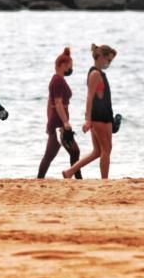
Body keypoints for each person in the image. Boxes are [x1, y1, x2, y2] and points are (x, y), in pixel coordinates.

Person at [63, 44, 117, 180]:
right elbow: (89, 96)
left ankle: (69, 172)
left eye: (111, 61)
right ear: (100, 57)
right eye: (108, 60)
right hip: (99, 117)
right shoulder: (95, 74)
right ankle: (105, 180)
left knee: (98, 151)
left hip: (105, 115)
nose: (108, 63)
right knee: (106, 149)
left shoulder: (100, 74)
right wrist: (88, 119)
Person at [37, 47, 82, 179]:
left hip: (56, 122)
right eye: (70, 66)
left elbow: (49, 103)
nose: (71, 69)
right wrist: (65, 122)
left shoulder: (57, 80)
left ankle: (40, 179)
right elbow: (57, 103)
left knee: (53, 154)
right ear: (63, 65)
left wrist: (50, 120)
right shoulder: (57, 81)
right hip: (58, 124)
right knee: (72, 151)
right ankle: (77, 178)